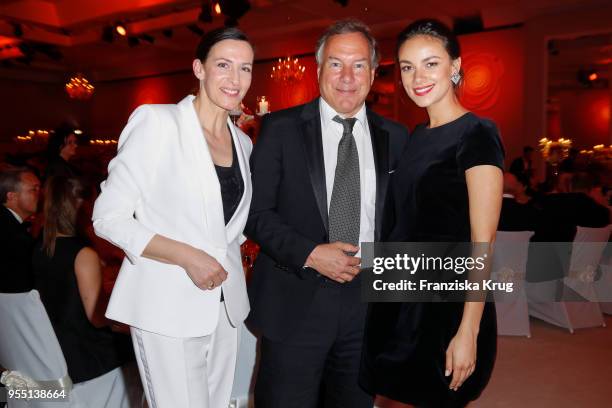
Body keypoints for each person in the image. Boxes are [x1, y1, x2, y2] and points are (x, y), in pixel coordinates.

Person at [245, 19, 409, 407]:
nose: (347, 76)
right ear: (319, 70)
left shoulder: (398, 138)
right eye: (336, 63)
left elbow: (403, 222)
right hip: (295, 300)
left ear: (373, 72)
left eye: (358, 65)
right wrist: (311, 253)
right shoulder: (280, 129)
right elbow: (256, 212)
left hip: (367, 307)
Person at [92, 27, 254, 408]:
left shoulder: (243, 142)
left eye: (245, 68)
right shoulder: (158, 122)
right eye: (223, 65)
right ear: (199, 68)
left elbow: (227, 228)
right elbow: (109, 217)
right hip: (166, 304)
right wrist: (187, 256)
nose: (235, 79)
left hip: (225, 305)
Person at [360, 19, 504, 408]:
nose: (416, 77)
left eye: (430, 63)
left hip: (444, 308)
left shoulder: (477, 133)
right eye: (407, 67)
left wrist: (468, 330)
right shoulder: (415, 137)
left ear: (455, 66)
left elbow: (483, 239)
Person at [32, 176, 125, 385]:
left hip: (51, 348)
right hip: (84, 356)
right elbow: (97, 317)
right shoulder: (82, 253)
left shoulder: (39, 247)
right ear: (81, 205)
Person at [0, 166, 40, 293]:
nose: (40, 193)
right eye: (34, 189)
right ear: (12, 196)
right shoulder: (10, 232)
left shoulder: (10, 223)